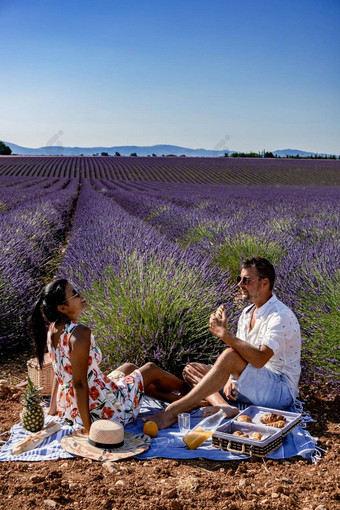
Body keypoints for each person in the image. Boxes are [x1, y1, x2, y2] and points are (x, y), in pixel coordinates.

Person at [146, 257, 301, 429]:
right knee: (191, 369)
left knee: (227, 357)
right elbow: (240, 355)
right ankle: (224, 406)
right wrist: (228, 379)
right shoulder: (247, 313)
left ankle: (173, 411)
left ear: (264, 283)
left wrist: (224, 334)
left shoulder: (280, 316)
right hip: (252, 383)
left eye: (246, 280)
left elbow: (259, 359)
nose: (240, 284)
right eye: (239, 279)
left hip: (279, 391)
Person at [30, 279, 187, 434]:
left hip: (71, 410)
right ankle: (190, 392)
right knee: (150, 369)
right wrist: (88, 429)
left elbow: (60, 373)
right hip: (101, 410)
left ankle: (177, 400)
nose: (81, 294)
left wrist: (53, 409)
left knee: (129, 367)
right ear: (63, 308)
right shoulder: (79, 333)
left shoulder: (53, 329)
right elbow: (79, 384)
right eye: (75, 293)